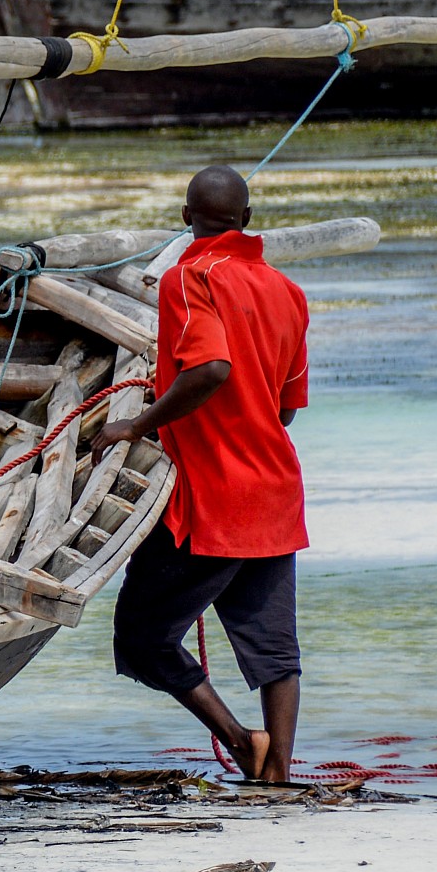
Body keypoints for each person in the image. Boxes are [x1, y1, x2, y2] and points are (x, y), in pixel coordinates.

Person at [93, 165, 310, 783]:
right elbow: (286, 410)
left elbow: (210, 369)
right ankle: (277, 777)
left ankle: (242, 743)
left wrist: (137, 425)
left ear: (186, 217)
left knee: (142, 637)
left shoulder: (190, 277)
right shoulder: (289, 292)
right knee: (274, 651)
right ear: (248, 219)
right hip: (275, 492)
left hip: (212, 497)